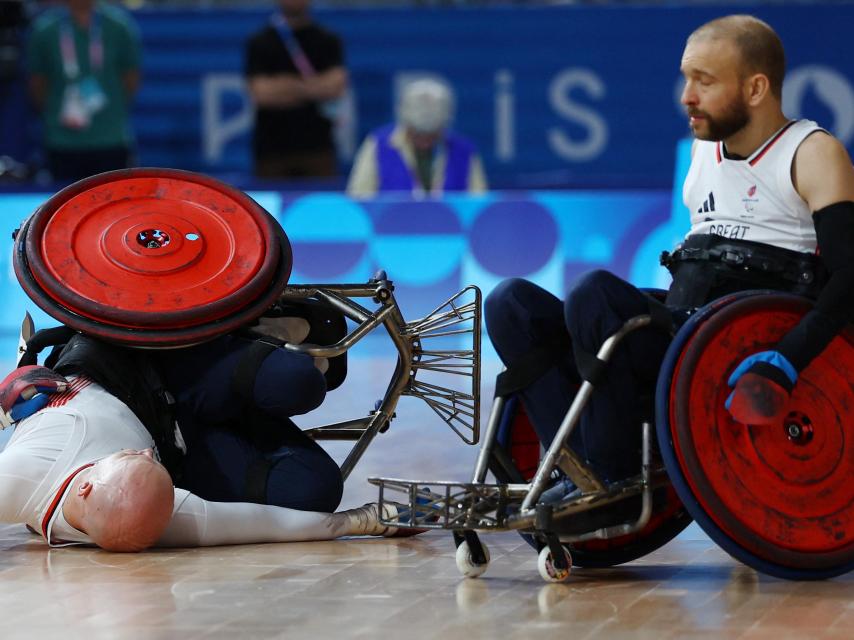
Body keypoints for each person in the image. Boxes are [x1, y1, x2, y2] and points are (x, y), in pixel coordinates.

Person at [485, 15, 854, 494]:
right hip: (681, 333)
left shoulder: (812, 152)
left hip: (735, 346)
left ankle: (613, 477)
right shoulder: (702, 153)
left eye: (704, 81)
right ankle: (577, 466)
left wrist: (785, 358)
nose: (686, 96)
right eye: (686, 78)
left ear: (756, 88)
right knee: (509, 303)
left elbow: (849, 275)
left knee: (595, 293)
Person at [0, 321, 410, 552]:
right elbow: (273, 524)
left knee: (300, 380)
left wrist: (14, 389)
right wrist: (371, 520)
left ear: (86, 486)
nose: (143, 451)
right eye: (147, 462)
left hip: (141, 358)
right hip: (180, 441)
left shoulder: (18, 478)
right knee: (314, 492)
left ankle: (248, 328)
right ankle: (242, 385)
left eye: (130, 457)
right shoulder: (166, 519)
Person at [26, 0, 141, 182]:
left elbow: (131, 78)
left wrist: (110, 109)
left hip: (110, 137)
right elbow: (38, 83)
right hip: (61, 139)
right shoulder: (46, 29)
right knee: (63, 201)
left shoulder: (118, 26)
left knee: (111, 201)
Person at [245, 0, 347, 179]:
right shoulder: (259, 42)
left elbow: (335, 88)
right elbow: (262, 94)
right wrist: (313, 87)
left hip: (318, 147)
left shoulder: (328, 40)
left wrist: (284, 85)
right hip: (271, 150)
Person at [346, 78, 487, 197]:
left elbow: (479, 205)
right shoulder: (378, 144)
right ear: (404, 121)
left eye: (432, 135)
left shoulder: (465, 151)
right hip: (390, 227)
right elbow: (359, 199)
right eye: (417, 133)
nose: (425, 142)